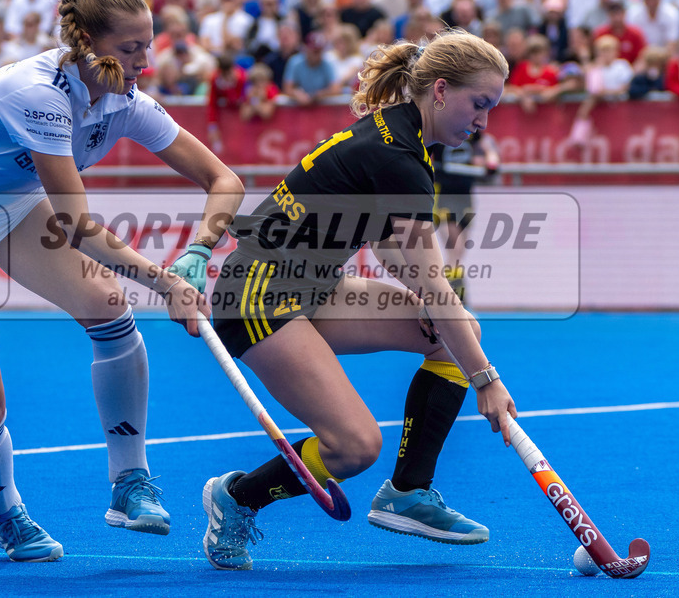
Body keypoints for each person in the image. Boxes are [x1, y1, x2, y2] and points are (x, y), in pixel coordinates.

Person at [0, 0, 244, 562]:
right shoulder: (38, 94)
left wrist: (198, 253)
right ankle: (4, 515)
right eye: (131, 49)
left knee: (108, 305)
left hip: (11, 203)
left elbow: (223, 179)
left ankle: (129, 484)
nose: (145, 62)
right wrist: (164, 283)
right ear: (90, 44)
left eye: (147, 45)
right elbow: (77, 227)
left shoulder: (125, 99)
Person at [201, 29, 517, 571]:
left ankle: (409, 493)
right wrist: (486, 379)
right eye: (479, 104)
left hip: (312, 286)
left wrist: (434, 305)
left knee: (453, 334)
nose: (484, 122)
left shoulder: (402, 140)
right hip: (257, 296)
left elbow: (394, 248)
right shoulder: (399, 155)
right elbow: (434, 284)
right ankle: (236, 499)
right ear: (440, 90)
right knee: (353, 447)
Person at [430, 129, 500, 303]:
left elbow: (489, 150)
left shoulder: (472, 133)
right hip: (443, 194)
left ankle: (452, 293)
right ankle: (452, 293)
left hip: (465, 196)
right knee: (454, 246)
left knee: (458, 252)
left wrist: (490, 162)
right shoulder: (438, 133)